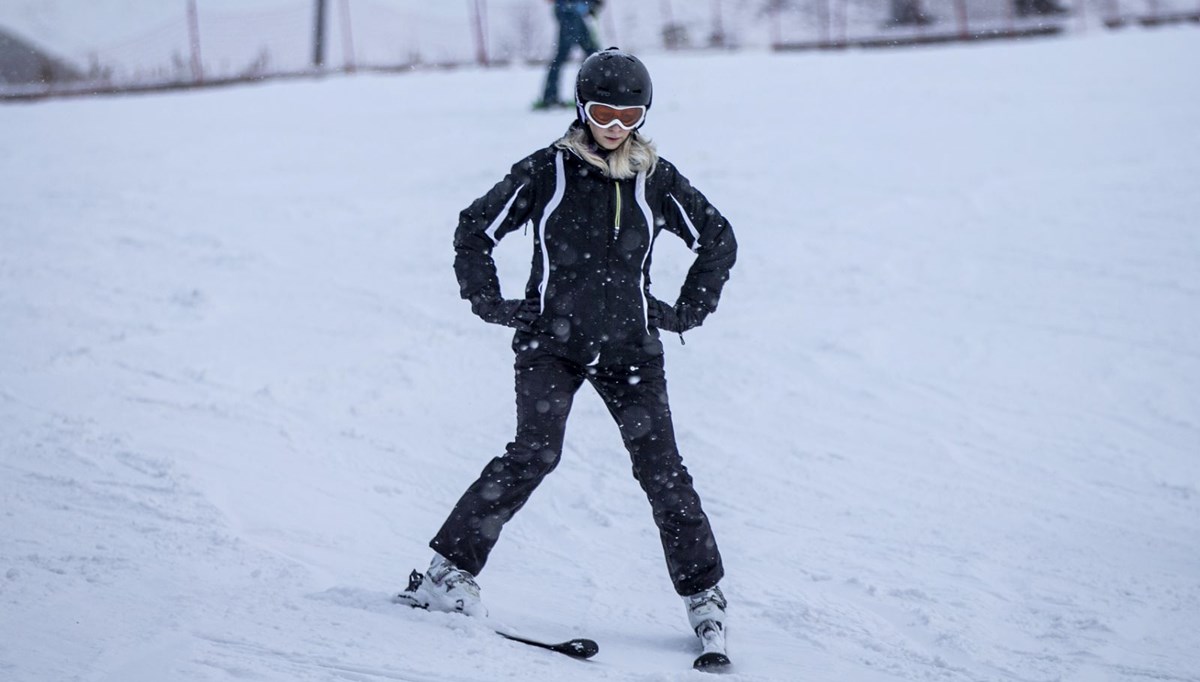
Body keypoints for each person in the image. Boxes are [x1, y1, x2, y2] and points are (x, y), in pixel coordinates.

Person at [397, 48, 737, 655]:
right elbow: (474, 229)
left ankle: (704, 598)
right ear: (582, 108)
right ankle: (446, 574)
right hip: (552, 345)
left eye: (629, 115)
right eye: (603, 111)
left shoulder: (654, 178)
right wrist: (492, 303)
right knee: (534, 453)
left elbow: (717, 239)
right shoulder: (546, 172)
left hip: (631, 349)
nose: (614, 126)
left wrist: (686, 312)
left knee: (663, 473)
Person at [534, 0, 602, 109]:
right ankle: (550, 98)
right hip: (569, 12)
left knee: (594, 54)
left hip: (575, 12)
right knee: (565, 55)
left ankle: (596, 95)